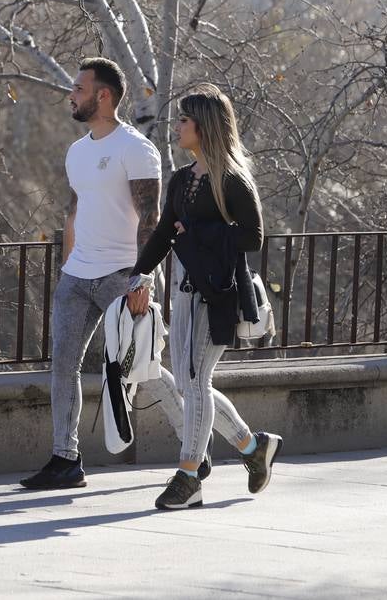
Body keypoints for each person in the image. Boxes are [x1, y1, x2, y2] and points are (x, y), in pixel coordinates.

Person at [127, 83, 282, 511]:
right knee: (192, 383)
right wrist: (139, 275)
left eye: (184, 120)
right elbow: (162, 234)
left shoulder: (231, 180)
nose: (176, 127)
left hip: (218, 295)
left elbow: (253, 236)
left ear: (205, 127)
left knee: (194, 383)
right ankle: (253, 447)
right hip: (183, 292)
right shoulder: (181, 180)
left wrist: (195, 233)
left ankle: (190, 473)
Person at [19, 57, 164, 490]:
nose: (72, 95)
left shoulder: (136, 148)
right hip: (77, 279)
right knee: (63, 365)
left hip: (122, 276)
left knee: (146, 367)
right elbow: (74, 211)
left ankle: (210, 446)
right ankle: (66, 459)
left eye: (80, 89)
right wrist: (68, 267)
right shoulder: (77, 151)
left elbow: (150, 221)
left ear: (103, 96)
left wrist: (144, 278)